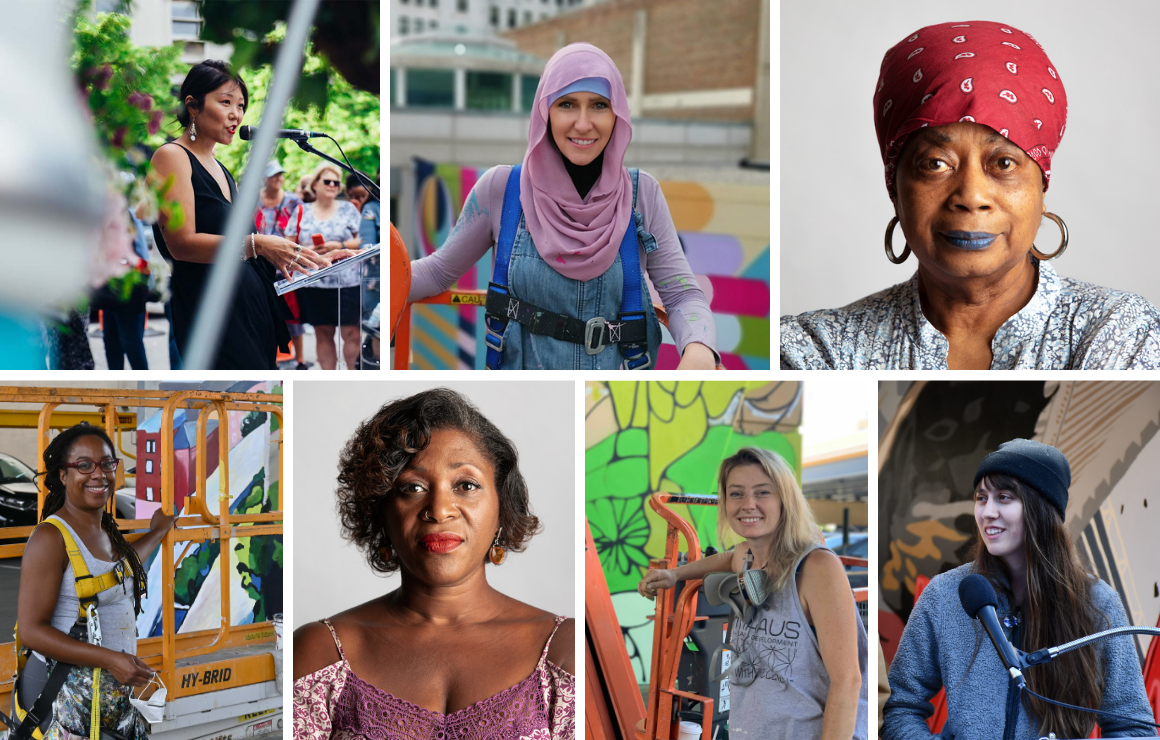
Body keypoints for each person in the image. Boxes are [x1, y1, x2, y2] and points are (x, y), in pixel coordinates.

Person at [780, 21, 1160, 370]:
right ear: (895, 188)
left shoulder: (1120, 334)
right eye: (935, 164)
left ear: (1042, 186)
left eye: (1005, 163)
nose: (971, 196)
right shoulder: (817, 350)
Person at [406, 43, 717, 370]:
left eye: (599, 105)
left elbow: (683, 296)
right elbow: (438, 272)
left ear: (618, 115)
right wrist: (373, 271)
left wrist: (699, 349)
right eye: (567, 104)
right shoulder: (502, 189)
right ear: (545, 112)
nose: (583, 124)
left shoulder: (643, 194)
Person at [293, 388, 575, 739]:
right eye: (412, 488)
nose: (439, 510)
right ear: (380, 512)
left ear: (502, 506)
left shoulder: (564, 652)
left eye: (466, 485)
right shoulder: (318, 656)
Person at [883, 439, 1155, 740]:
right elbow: (900, 707)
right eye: (981, 497)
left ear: (1041, 508)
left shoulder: (1097, 603)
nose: (987, 512)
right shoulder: (944, 595)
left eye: (1004, 497)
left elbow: (1134, 729)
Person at [638, 448, 868, 740]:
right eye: (736, 494)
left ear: (785, 500)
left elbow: (848, 682)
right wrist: (675, 574)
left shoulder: (817, 567)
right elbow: (727, 556)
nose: (748, 504)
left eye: (762, 493)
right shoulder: (746, 556)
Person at [148, 59, 328, 369]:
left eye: (241, 105)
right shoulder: (171, 157)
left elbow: (245, 245)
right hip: (212, 313)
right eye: (226, 102)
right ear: (192, 105)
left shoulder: (224, 171)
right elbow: (181, 244)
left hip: (250, 308)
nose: (236, 114)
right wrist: (258, 244)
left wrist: (291, 253)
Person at [18, 423, 177, 739]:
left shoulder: (105, 528)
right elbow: (31, 631)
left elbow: (118, 572)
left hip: (106, 694)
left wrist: (158, 532)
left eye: (107, 463)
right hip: (64, 695)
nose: (99, 474)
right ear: (63, 475)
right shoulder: (51, 538)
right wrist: (112, 659)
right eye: (84, 465)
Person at [287, 163, 362, 370]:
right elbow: (289, 244)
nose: (332, 185)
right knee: (323, 333)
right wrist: (311, 250)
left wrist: (339, 246)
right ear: (315, 184)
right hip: (314, 283)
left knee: (352, 333)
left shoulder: (348, 209)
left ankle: (352, 373)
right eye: (327, 181)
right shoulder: (301, 210)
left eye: (336, 183)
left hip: (348, 282)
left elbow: (362, 240)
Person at [255, 159, 310, 370]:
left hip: (287, 267)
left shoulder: (293, 201)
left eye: (280, 174)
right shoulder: (253, 202)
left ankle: (301, 359)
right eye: (273, 175)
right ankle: (273, 360)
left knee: (293, 316)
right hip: (261, 266)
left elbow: (302, 227)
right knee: (267, 316)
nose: (278, 178)